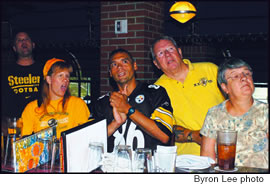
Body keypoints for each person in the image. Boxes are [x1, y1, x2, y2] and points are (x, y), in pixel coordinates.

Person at [150, 36, 225, 156]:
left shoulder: (211, 69)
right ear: (156, 64)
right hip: (187, 162)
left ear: (179, 52)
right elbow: (164, 130)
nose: (167, 54)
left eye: (170, 49)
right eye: (160, 53)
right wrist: (194, 136)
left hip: (225, 152)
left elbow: (235, 101)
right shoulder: (156, 91)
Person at [90, 48, 174, 152]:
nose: (120, 67)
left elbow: (165, 136)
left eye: (124, 62)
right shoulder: (102, 102)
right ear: (110, 73)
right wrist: (115, 123)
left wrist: (128, 109)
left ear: (134, 66)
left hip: (148, 165)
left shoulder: (155, 92)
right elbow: (90, 142)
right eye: (114, 65)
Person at [200, 58, 268, 169]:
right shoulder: (214, 114)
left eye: (246, 73)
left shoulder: (265, 112)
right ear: (225, 87)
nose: (244, 78)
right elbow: (207, 159)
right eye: (235, 76)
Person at [20, 58, 90, 139]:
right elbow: (23, 142)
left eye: (67, 76)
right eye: (60, 75)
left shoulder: (77, 104)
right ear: (49, 79)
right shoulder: (32, 108)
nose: (65, 80)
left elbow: (85, 137)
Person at [1, 32, 43, 135]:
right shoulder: (5, 71)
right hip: (13, 125)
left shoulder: (44, 70)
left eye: (26, 39)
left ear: (33, 45)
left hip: (39, 124)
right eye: (19, 40)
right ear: (14, 48)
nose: (23, 42)